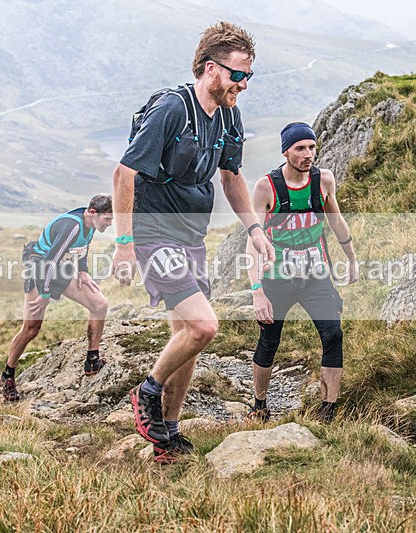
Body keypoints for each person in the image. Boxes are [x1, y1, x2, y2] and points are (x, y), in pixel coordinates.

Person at [111, 21, 274, 463]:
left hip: (191, 235)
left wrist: (255, 229)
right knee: (204, 326)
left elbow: (232, 176)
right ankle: (146, 392)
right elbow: (124, 174)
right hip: (153, 232)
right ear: (209, 69)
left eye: (249, 76)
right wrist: (124, 244)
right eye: (237, 75)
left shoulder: (228, 115)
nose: (243, 85)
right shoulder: (172, 109)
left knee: (186, 334)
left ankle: (167, 433)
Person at [245, 122, 359, 423]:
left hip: (315, 275)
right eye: (300, 148)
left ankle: (329, 409)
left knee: (333, 334)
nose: (308, 154)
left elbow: (336, 221)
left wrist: (351, 258)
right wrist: (257, 291)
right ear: (286, 151)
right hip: (276, 277)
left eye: (311, 147)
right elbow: (252, 241)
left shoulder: (324, 181)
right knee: (270, 341)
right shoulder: (266, 187)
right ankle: (259, 404)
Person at [0, 194, 113, 402]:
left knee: (100, 304)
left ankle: (92, 360)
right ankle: (8, 374)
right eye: (107, 219)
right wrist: (45, 294)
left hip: (60, 268)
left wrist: (83, 271)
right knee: (31, 328)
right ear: (93, 212)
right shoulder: (73, 227)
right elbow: (49, 262)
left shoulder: (90, 224)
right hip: (41, 269)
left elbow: (82, 249)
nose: (110, 224)